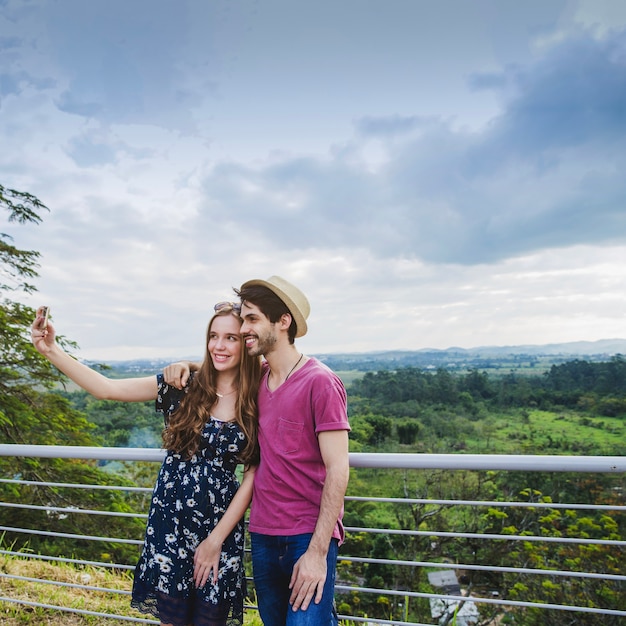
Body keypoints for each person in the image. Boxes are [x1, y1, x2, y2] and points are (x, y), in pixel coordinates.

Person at [31, 303, 262, 626]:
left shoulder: (259, 397)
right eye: (213, 336)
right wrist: (51, 350)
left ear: (247, 343)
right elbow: (107, 389)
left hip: (219, 527)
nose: (219, 346)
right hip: (170, 523)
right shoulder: (182, 385)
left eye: (231, 338)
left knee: (211, 619)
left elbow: (252, 475)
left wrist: (215, 541)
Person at [166, 276, 351, 626]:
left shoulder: (320, 382)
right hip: (264, 535)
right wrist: (185, 366)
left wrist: (317, 551)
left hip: (306, 537)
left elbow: (338, 468)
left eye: (252, 319)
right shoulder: (258, 380)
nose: (245, 327)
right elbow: (220, 369)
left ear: (283, 321)